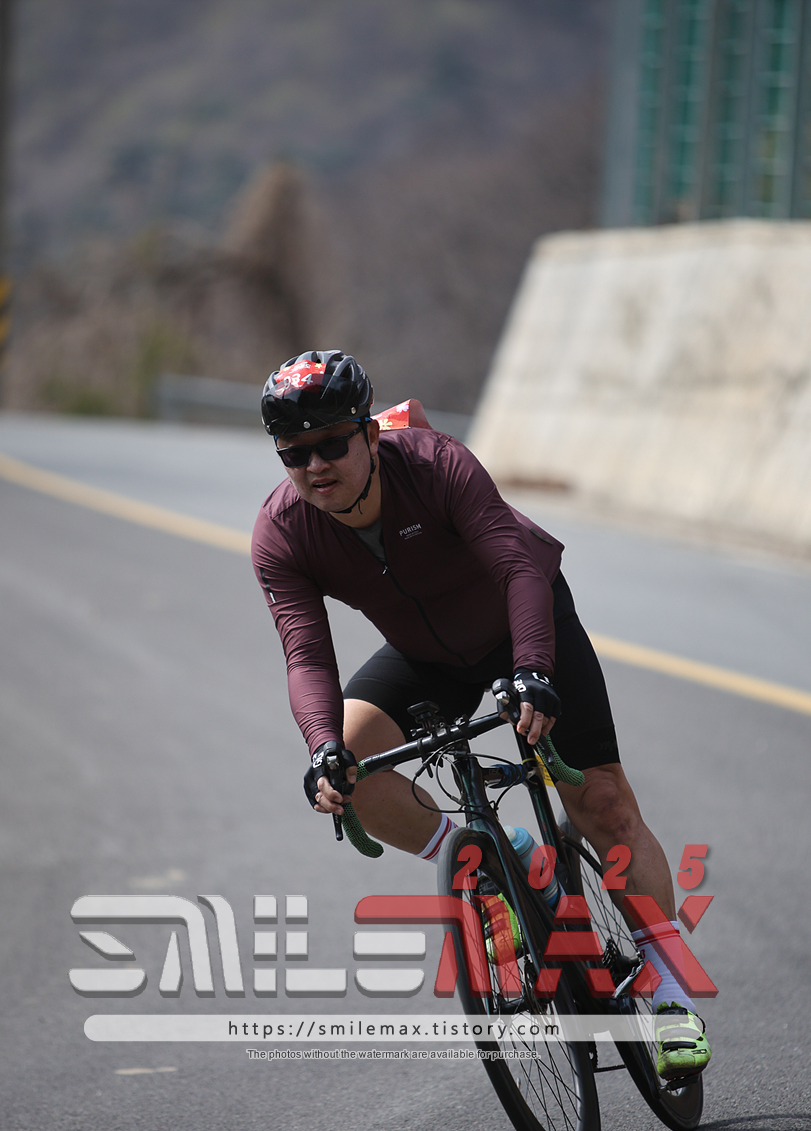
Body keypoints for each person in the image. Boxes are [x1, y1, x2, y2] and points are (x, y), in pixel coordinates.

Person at [251, 350, 710, 1079]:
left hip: (524, 624)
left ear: (369, 434)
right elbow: (306, 655)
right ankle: (499, 863)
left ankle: (673, 990)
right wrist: (321, 747)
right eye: (293, 453)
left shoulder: (435, 464)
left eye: (331, 443)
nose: (314, 466)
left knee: (603, 803)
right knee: (353, 771)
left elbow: (518, 566)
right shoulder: (283, 532)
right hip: (427, 654)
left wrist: (534, 670)